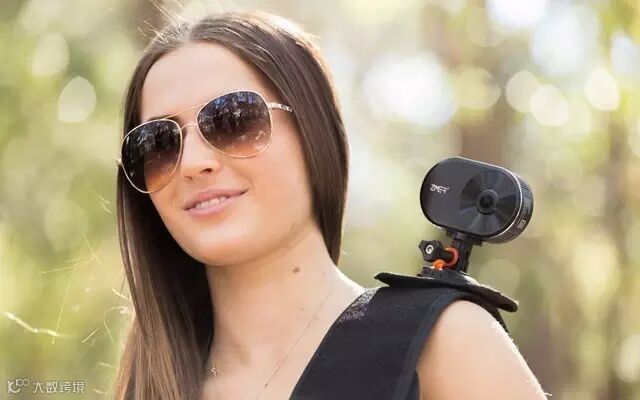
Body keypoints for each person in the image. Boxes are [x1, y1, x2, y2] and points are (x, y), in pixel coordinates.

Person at [112, 10, 547, 400]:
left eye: (233, 120)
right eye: (158, 144)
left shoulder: (446, 342)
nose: (192, 163)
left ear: (313, 133)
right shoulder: (145, 389)